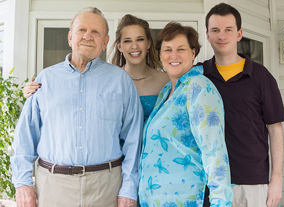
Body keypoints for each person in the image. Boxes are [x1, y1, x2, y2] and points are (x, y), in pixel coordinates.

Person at [11, 7, 143, 207]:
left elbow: (134, 139)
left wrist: (129, 188)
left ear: (105, 42)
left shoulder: (121, 81)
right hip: (53, 187)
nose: (88, 36)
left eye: (96, 32)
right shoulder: (44, 80)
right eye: (81, 30)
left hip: (107, 187)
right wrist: (22, 183)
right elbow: (25, 137)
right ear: (70, 37)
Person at [201, 3, 284, 207]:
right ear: (207, 35)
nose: (222, 36)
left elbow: (275, 130)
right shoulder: (199, 75)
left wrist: (277, 179)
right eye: (215, 30)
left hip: (253, 182)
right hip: (209, 182)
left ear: (239, 34)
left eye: (228, 29)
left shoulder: (261, 76)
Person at [138, 22, 233, 207]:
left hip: (187, 200)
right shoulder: (167, 91)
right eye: (167, 49)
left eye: (181, 49)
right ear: (160, 55)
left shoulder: (198, 87)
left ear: (193, 53)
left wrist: (221, 202)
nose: (173, 56)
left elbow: (214, 151)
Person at [24, 14, 169, 123]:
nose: (134, 46)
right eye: (127, 41)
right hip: (118, 158)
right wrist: (35, 92)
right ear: (119, 46)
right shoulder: (110, 79)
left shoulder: (166, 81)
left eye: (140, 39)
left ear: (149, 43)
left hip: (157, 155)